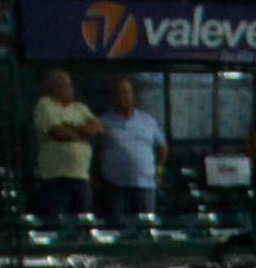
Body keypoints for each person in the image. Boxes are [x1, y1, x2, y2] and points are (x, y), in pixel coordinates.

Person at [91, 77, 165, 223]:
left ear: (133, 95)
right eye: (118, 93)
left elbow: (162, 147)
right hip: (115, 185)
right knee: (118, 227)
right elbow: (94, 150)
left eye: (125, 92)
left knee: (146, 227)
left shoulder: (148, 121)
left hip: (145, 184)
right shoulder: (102, 122)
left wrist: (160, 171)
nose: (122, 97)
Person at [30, 70, 99, 220]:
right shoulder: (45, 105)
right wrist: (83, 132)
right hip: (56, 178)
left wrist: (71, 126)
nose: (68, 88)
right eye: (63, 85)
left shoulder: (80, 108)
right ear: (53, 87)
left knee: (83, 222)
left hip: (81, 177)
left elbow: (98, 129)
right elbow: (59, 133)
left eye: (69, 85)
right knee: (58, 222)